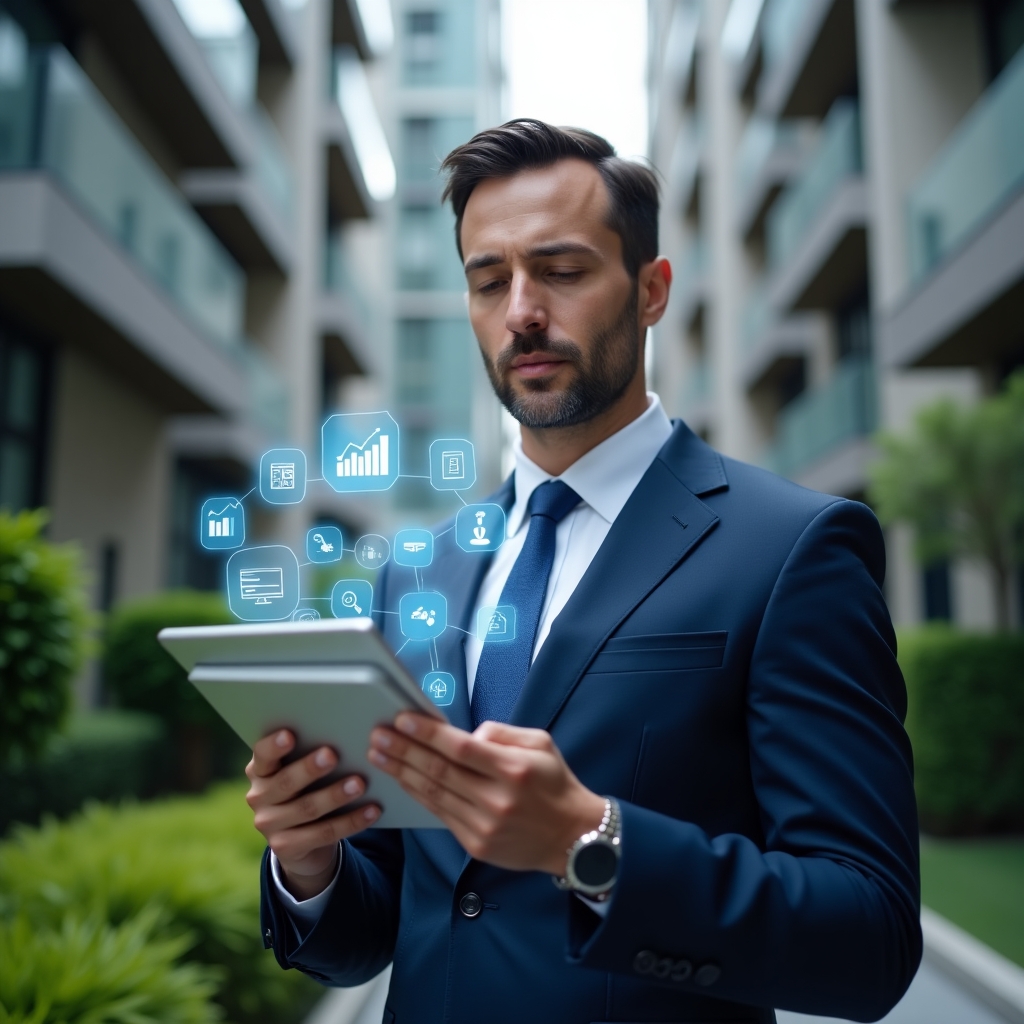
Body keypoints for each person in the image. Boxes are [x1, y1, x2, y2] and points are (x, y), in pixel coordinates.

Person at [248, 119, 921, 1024]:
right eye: (490, 281)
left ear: (651, 290)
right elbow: (403, 915)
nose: (522, 309)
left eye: (561, 272)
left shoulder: (793, 548)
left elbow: (868, 940)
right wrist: (310, 861)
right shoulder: (418, 574)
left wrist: (588, 842)